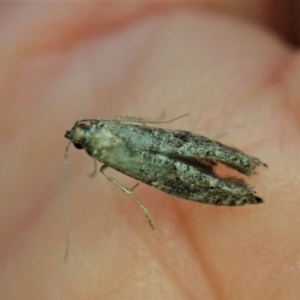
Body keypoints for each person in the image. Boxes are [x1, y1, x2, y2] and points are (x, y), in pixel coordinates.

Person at [1, 2, 299, 299]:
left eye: (79, 137)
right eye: (79, 137)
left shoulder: (102, 158)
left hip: (152, 167)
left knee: (177, 172)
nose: (78, 135)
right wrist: (161, 124)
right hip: (161, 144)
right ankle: (240, 176)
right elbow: (128, 123)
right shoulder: (108, 129)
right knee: (186, 153)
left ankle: (238, 181)